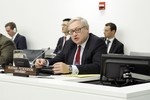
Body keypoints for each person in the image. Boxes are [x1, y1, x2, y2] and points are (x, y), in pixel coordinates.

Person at [35, 17, 107, 74]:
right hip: (69, 80)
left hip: (89, 83)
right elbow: (59, 58)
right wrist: (45, 62)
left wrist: (70, 68)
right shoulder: (69, 43)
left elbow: (98, 66)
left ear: (87, 29)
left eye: (78, 30)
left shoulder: (97, 42)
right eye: (71, 31)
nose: (74, 34)